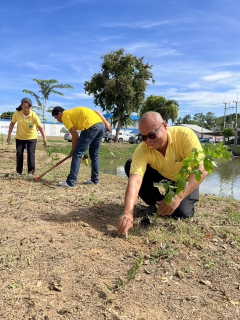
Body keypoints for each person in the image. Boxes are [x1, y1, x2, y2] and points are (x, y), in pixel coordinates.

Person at [117, 111, 208, 236]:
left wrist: (178, 197)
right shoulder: (143, 149)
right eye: (143, 137)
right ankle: (158, 203)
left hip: (184, 180)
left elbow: (201, 170)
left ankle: (172, 202)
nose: (148, 141)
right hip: (163, 175)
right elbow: (135, 181)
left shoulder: (184, 135)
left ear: (164, 126)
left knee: (181, 213)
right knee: (130, 164)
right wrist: (127, 213)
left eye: (152, 135)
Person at [52, 106, 112, 187]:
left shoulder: (64, 116)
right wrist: (106, 123)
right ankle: (94, 180)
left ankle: (70, 182)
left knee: (77, 154)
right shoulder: (72, 112)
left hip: (90, 126)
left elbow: (75, 135)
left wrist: (73, 150)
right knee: (94, 154)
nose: (57, 120)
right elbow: (96, 111)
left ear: (60, 114)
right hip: (101, 126)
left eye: (56, 118)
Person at [7, 97, 48, 176]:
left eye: (28, 107)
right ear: (21, 106)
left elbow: (40, 127)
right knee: (19, 153)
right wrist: (9, 134)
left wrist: (45, 139)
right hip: (20, 137)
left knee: (31, 153)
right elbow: (12, 123)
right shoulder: (17, 113)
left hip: (31, 137)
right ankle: (19, 171)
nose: (26, 109)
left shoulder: (34, 115)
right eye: (24, 107)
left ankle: (30, 172)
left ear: (30, 107)